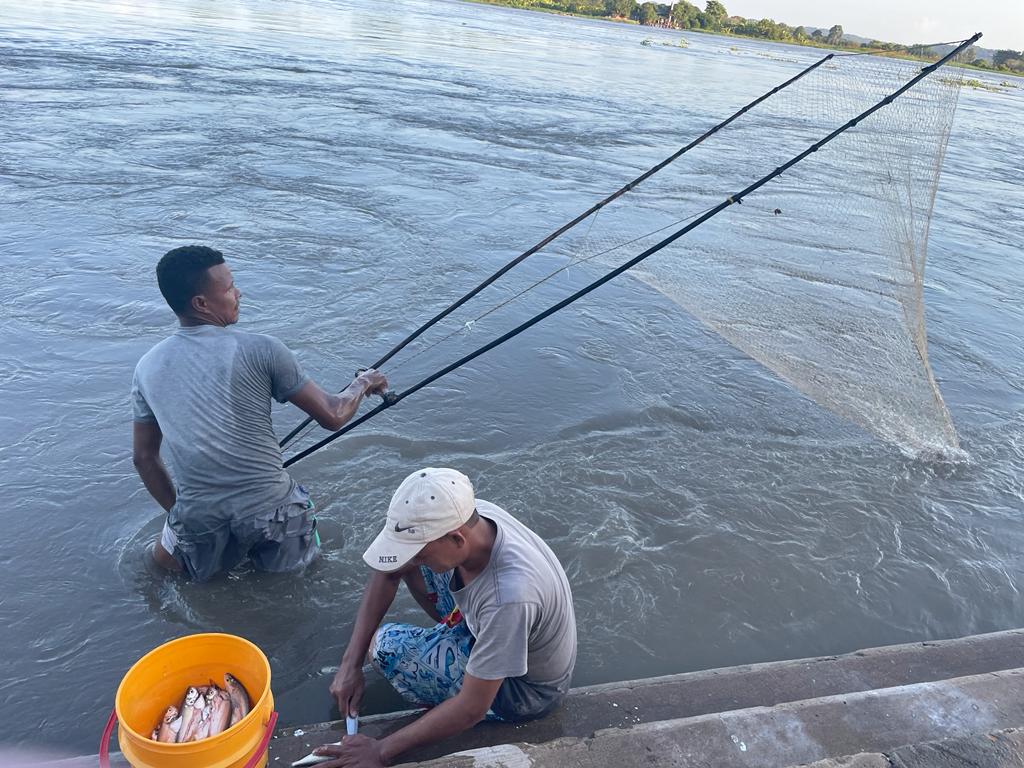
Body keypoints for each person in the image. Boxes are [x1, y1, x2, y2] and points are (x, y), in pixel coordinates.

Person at [131, 244, 387, 581]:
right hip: (274, 510)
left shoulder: (146, 367)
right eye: (229, 288)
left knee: (163, 565)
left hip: (198, 518)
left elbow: (144, 459)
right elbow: (333, 415)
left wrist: (182, 514)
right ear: (201, 304)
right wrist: (363, 383)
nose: (239, 293)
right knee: (301, 585)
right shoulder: (262, 349)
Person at [317, 467, 576, 768]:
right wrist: (350, 664)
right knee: (404, 560)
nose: (411, 562)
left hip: (523, 690)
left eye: (420, 553)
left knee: (385, 647)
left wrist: (380, 751)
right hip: (492, 621)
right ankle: (456, 637)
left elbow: (471, 708)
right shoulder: (473, 517)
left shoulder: (511, 596)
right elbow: (389, 567)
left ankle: (452, 657)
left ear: (456, 539)